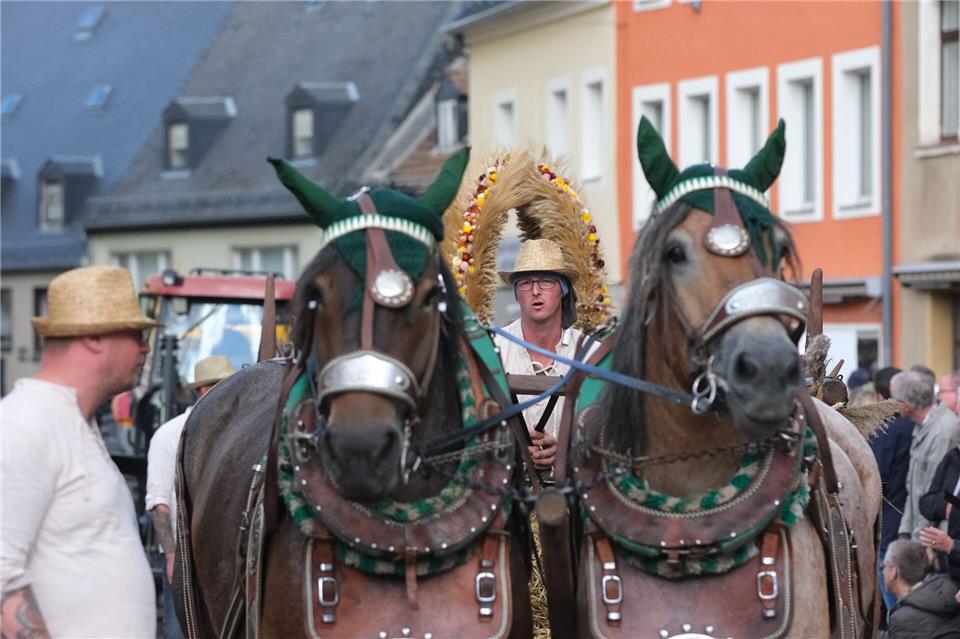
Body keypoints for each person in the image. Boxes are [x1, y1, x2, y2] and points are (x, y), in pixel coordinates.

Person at [1, 265, 157, 638]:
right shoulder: (24, 422)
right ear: (93, 336)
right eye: (136, 334)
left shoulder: (73, 422)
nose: (145, 347)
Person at [146, 355, 236, 639]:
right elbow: (159, 501)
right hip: (186, 559)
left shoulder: (235, 434)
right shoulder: (169, 435)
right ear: (203, 390)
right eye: (222, 386)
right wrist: (172, 555)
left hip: (227, 558)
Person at [494, 238, 591, 471]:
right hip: (508, 486)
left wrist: (569, 450)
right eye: (525, 283)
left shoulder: (589, 353)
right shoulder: (495, 349)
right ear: (516, 293)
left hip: (574, 486)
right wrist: (512, 447)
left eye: (546, 281)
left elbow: (608, 428)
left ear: (563, 290)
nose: (535, 291)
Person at [894, 370, 960, 540]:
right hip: (920, 531)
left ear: (906, 404)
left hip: (931, 537)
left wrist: (921, 539)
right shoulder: (921, 427)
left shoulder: (942, 432)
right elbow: (912, 488)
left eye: (895, 401)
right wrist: (904, 532)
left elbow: (933, 491)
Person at [870, 366, 915, 610]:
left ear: (879, 397)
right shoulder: (915, 426)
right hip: (916, 522)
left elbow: (876, 477)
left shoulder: (884, 430)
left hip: (890, 524)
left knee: (895, 604)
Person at [881, 539, 960, 638]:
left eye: (884, 566)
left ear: (894, 572)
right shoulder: (951, 590)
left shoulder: (903, 619)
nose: (882, 571)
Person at [919, 439, 960, 581]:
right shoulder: (952, 457)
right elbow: (925, 502)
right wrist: (944, 506)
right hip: (940, 564)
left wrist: (951, 546)